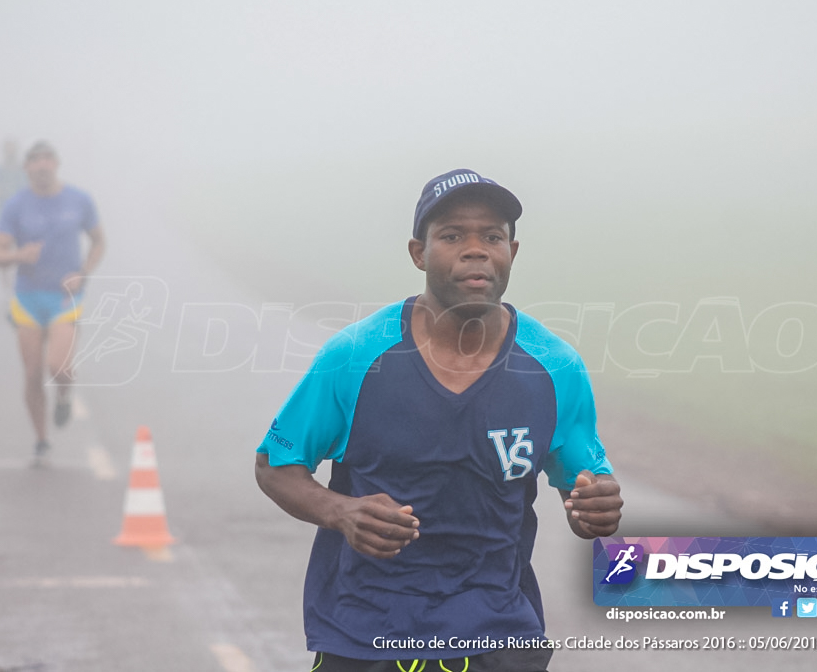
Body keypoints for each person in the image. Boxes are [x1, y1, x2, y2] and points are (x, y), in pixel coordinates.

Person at [255, 169, 623, 672]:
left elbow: (584, 493)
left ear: (512, 252)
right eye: (452, 236)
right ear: (418, 253)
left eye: (492, 236)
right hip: (366, 632)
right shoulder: (357, 355)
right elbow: (276, 464)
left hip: (496, 632)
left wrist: (594, 510)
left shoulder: (554, 366)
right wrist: (340, 512)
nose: (475, 250)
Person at [0, 141, 106, 460]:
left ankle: (64, 398)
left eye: (47, 161)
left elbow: (98, 241)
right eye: (35, 162)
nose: (41, 167)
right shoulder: (15, 205)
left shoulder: (78, 200)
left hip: (65, 297)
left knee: (59, 366)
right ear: (27, 168)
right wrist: (17, 255)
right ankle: (41, 440)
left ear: (56, 164)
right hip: (27, 298)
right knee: (31, 373)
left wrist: (83, 271)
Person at [0, 139, 28, 290]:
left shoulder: (25, 171)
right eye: (8, 151)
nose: (10, 154)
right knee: (3, 254)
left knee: (24, 251)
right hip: (3, 219)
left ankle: (22, 285)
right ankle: (8, 289)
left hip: (25, 218)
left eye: (12, 151)